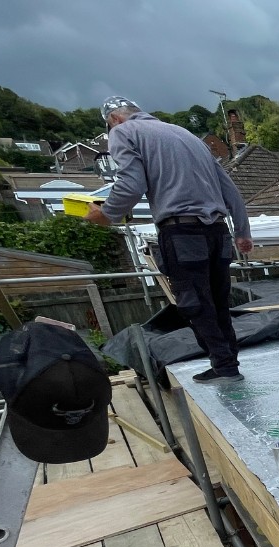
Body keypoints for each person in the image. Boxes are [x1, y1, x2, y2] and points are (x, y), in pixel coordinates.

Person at [85, 96, 252, 383]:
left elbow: (131, 184)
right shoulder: (186, 135)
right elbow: (228, 187)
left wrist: (107, 214)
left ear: (114, 119)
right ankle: (227, 364)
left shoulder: (123, 132)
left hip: (182, 232)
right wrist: (242, 231)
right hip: (217, 231)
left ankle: (225, 367)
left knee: (195, 303)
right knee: (218, 303)